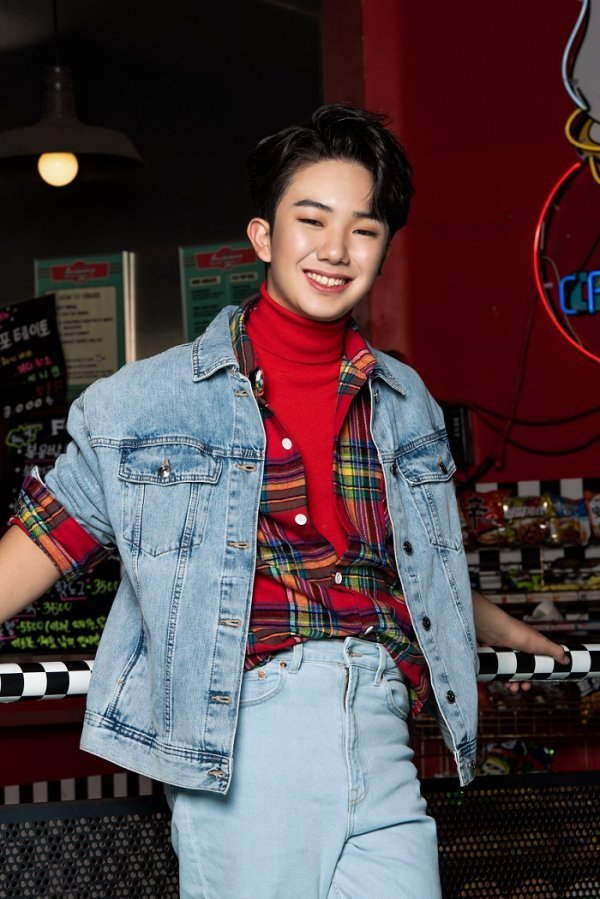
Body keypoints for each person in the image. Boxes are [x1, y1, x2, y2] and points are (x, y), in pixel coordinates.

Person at [0, 104, 567, 899]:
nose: (336, 249)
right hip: (247, 735)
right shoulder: (146, 402)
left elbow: (415, 560)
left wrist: (501, 626)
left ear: (384, 249)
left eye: (363, 229)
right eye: (312, 220)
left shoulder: (405, 400)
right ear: (263, 236)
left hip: (383, 730)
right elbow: (45, 539)